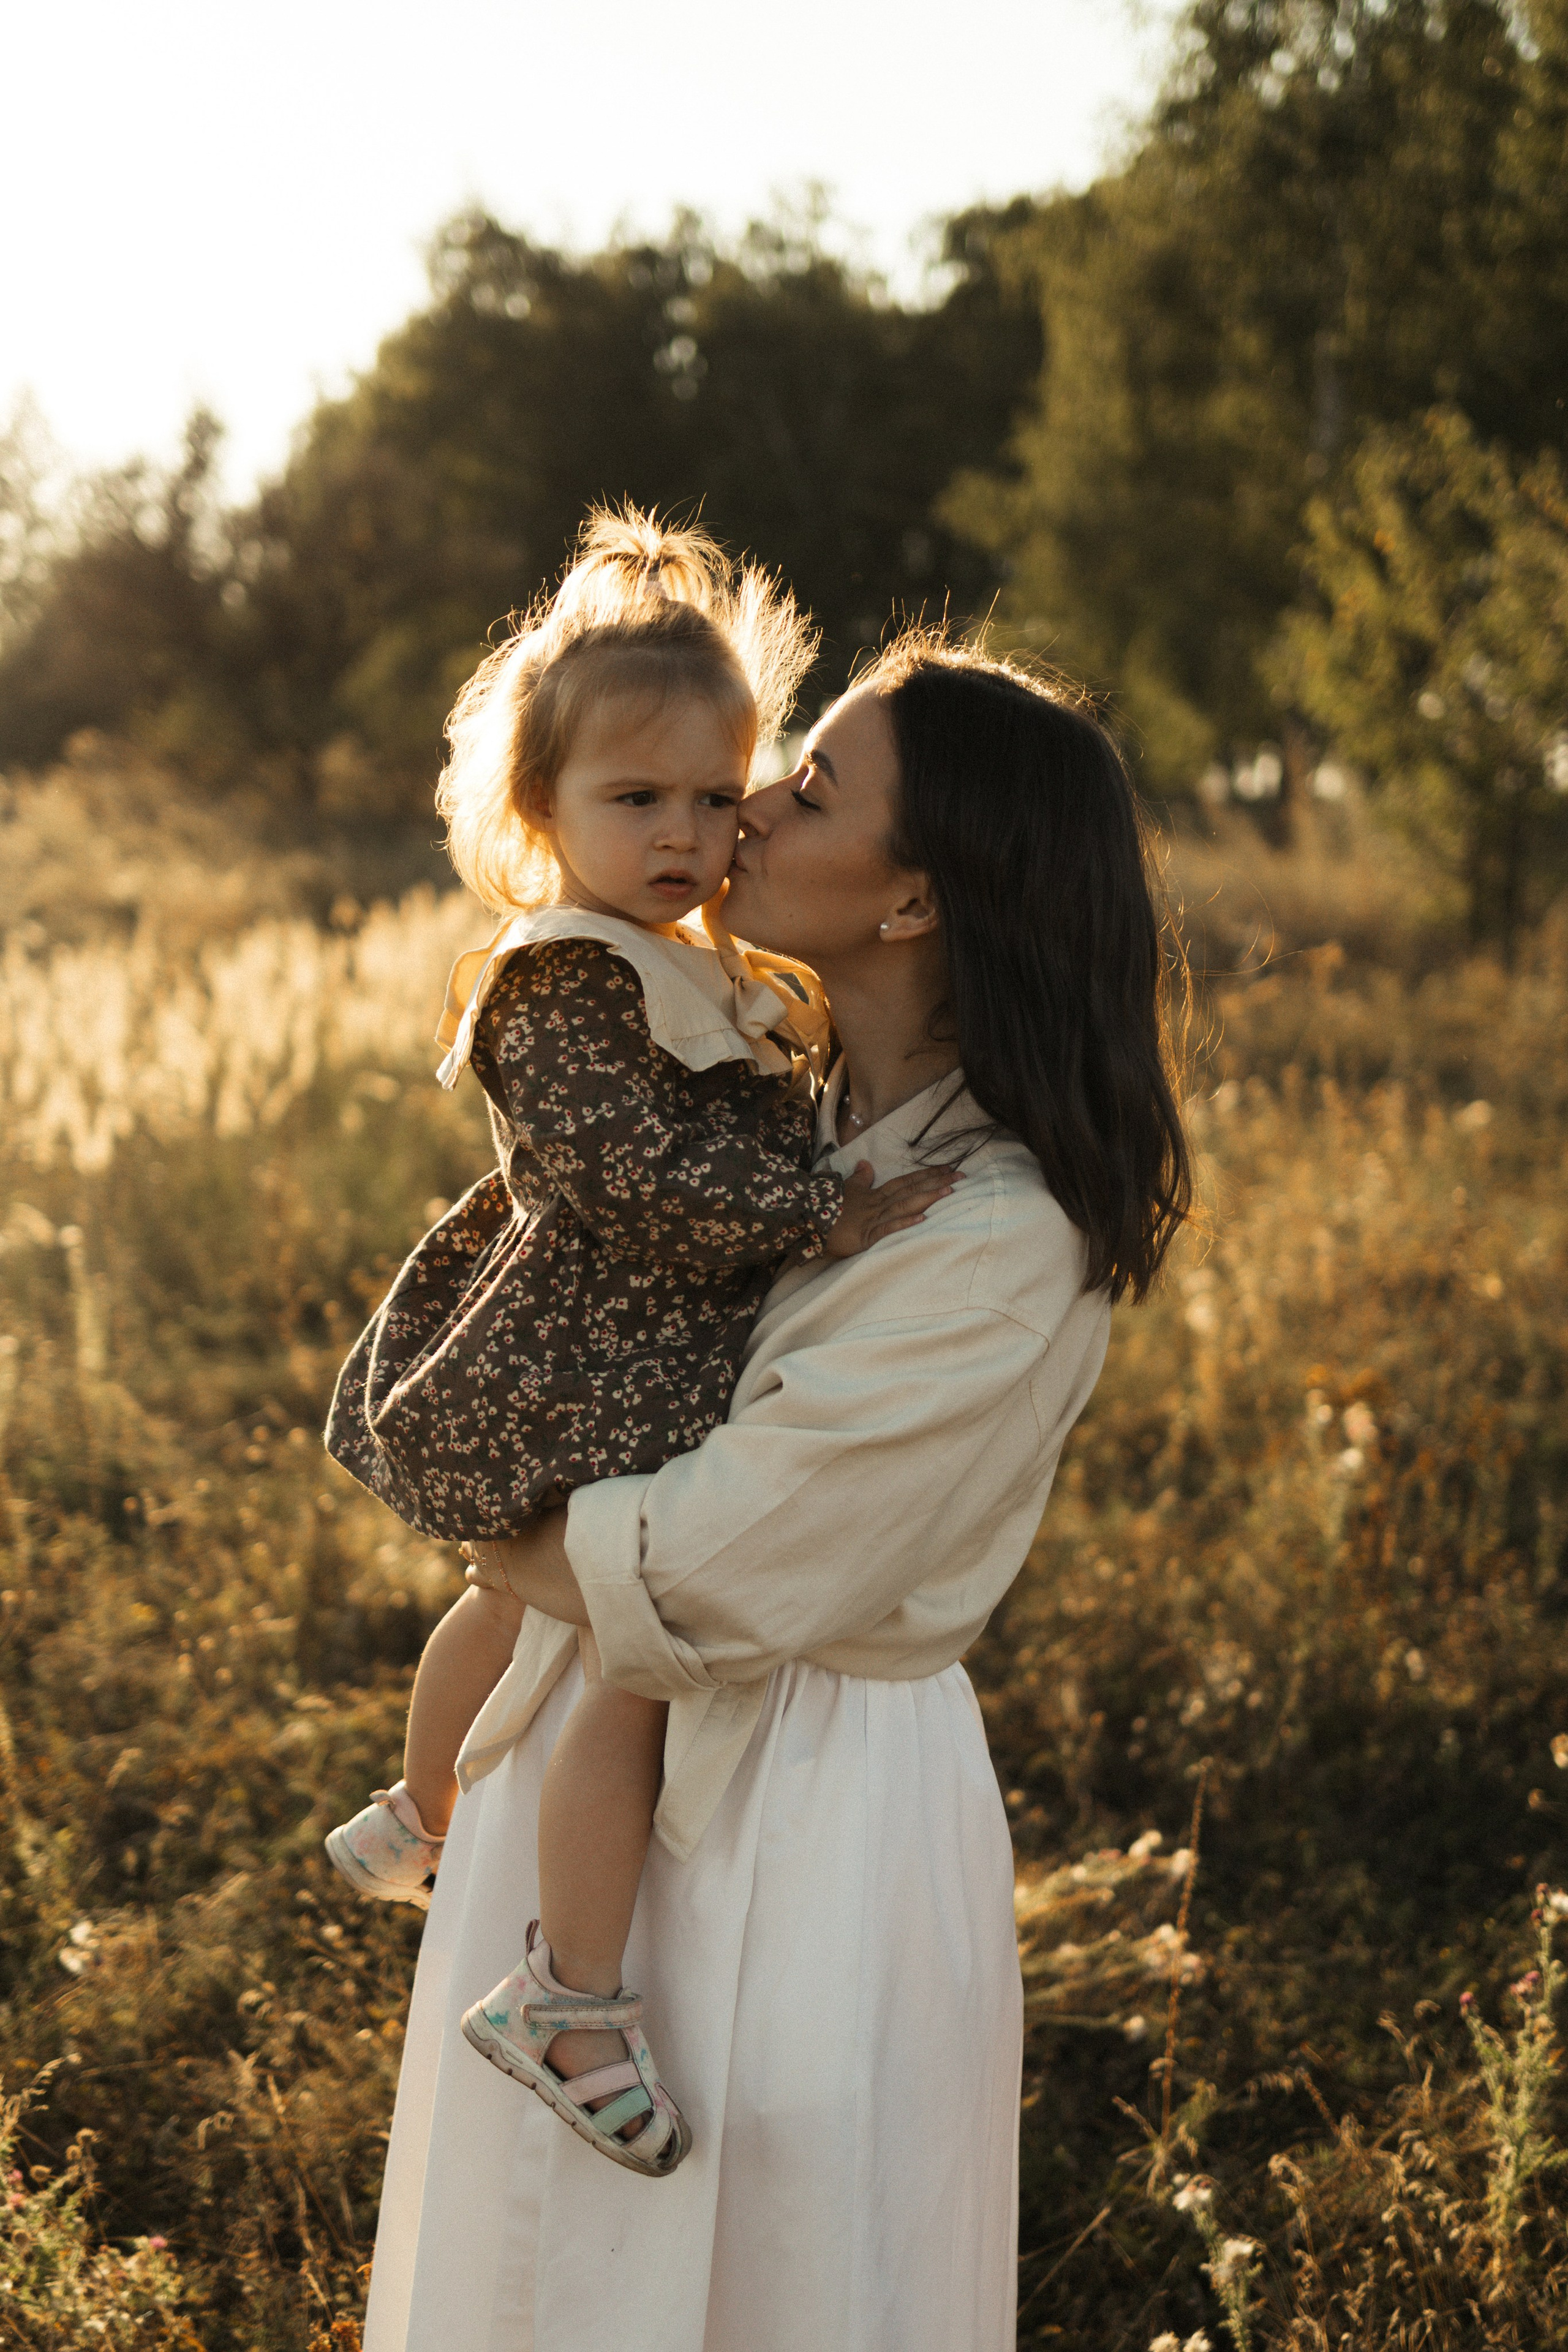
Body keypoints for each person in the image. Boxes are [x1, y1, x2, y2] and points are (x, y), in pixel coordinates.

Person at [361, 624, 1193, 2352]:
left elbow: (711, 1564)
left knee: (769, 2283)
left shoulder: (998, 1235)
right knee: (539, 2286)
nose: (741, 811)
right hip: (585, 1772)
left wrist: (473, 1495)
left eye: (808, 788)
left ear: (910, 906)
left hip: (797, 1811)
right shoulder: (776, 1103)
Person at [319, 510, 954, 2177]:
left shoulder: (698, 964)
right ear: (540, 816)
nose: (684, 833)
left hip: (642, 1362)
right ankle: (567, 1992)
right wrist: (817, 1209)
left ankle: (423, 1812)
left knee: (509, 1601)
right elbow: (620, 1168)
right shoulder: (563, 978)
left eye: (710, 794)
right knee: (618, 1659)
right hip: (585, 1363)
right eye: (633, 801)